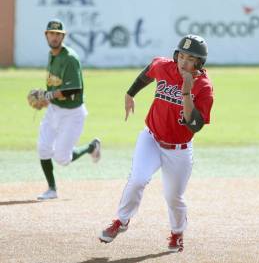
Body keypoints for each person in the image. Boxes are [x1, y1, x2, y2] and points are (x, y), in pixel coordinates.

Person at [98, 34, 214, 252]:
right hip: (151, 137)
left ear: (199, 63)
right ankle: (121, 221)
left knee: (173, 197)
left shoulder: (204, 88)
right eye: (181, 56)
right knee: (137, 179)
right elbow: (148, 72)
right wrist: (130, 93)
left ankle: (177, 233)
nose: (183, 62)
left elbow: (195, 125)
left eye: (190, 59)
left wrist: (187, 92)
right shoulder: (164, 66)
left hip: (179, 149)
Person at [36, 19, 101, 200]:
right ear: (46, 35)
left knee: (62, 159)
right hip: (54, 110)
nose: (54, 37)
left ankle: (91, 147)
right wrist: (46, 100)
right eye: (51, 33)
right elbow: (53, 85)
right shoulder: (52, 55)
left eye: (58, 34)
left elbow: (74, 89)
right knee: (43, 148)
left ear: (63, 36)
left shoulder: (70, 58)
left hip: (72, 113)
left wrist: (47, 96)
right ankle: (51, 189)